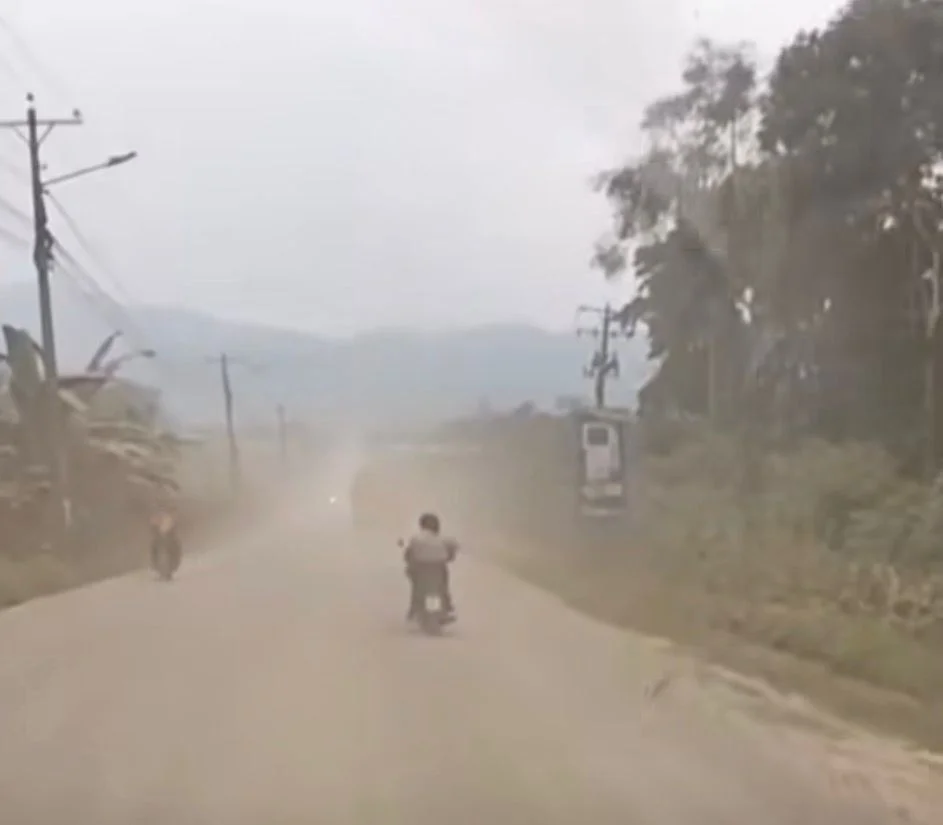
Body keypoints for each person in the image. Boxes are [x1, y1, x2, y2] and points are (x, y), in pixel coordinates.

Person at [403, 512, 458, 621]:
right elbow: (451, 554)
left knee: (417, 587)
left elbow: (408, 555)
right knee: (442, 586)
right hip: (437, 567)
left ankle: (414, 609)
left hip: (421, 568)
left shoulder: (416, 538)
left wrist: (410, 566)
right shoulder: (446, 539)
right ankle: (446, 605)